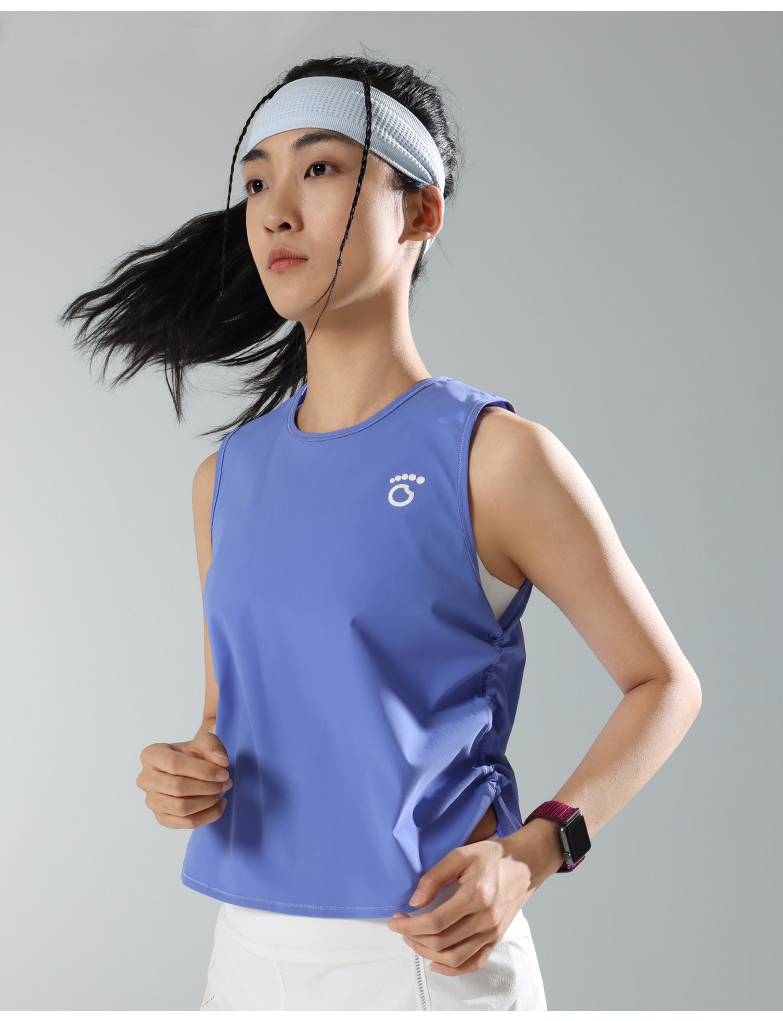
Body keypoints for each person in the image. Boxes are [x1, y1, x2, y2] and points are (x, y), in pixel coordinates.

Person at [61, 54, 702, 1012]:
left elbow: (665, 685)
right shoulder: (224, 479)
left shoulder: (493, 456)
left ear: (421, 212)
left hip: (427, 958)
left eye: (319, 168)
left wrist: (532, 852)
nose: (276, 211)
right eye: (256, 182)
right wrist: (186, 771)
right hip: (244, 959)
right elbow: (230, 716)